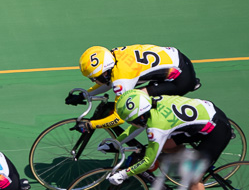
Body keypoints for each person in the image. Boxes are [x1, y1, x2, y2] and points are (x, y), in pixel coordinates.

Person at [105, 89, 235, 190]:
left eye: (132, 121)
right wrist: (116, 143)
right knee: (166, 145)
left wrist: (124, 174)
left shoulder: (157, 127)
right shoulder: (151, 103)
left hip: (216, 130)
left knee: (194, 179)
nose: (131, 123)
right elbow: (136, 126)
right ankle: (189, 158)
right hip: (205, 116)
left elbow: (148, 162)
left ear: (141, 116)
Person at [67, 44, 200, 138]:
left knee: (136, 107)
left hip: (179, 79)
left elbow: (119, 118)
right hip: (178, 61)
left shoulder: (122, 78)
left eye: (94, 78)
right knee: (136, 98)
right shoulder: (113, 55)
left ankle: (148, 150)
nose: (94, 82)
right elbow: (110, 81)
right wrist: (85, 95)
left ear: (105, 73)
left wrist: (91, 125)